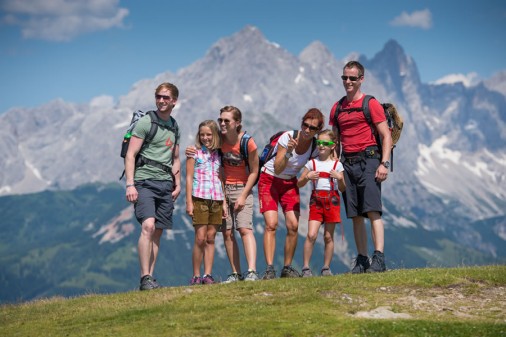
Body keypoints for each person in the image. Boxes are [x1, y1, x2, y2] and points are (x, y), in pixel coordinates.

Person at [329, 60, 392, 273]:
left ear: (361, 79)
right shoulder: (337, 108)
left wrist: (384, 164)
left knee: (372, 210)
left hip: (370, 159)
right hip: (347, 163)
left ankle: (379, 258)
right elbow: (335, 141)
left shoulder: (370, 103)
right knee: (355, 214)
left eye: (352, 78)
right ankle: (363, 259)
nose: (348, 81)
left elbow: (386, 135)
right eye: (345, 77)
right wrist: (335, 166)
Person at [186, 106, 260, 282]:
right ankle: (236, 273)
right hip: (221, 191)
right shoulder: (219, 141)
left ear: (237, 123)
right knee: (227, 233)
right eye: (221, 120)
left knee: (244, 228)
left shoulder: (247, 142)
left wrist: (243, 196)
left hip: (242, 188)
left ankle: (251, 271)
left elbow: (255, 171)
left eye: (227, 120)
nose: (222, 123)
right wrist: (191, 150)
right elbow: (204, 146)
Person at [124, 82, 181, 290]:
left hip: (166, 183)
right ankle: (144, 277)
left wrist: (178, 183)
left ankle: (151, 277)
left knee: (158, 231)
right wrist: (130, 185)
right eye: (159, 96)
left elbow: (175, 158)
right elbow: (130, 155)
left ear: (174, 101)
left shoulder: (174, 126)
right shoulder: (146, 123)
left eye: (166, 97)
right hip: (144, 181)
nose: (161, 100)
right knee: (147, 226)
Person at [258, 108, 324, 279]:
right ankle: (269, 268)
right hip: (270, 179)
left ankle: (287, 268)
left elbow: (322, 160)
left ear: (317, 131)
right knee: (271, 224)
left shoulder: (315, 146)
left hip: (290, 182)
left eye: (312, 128)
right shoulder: (288, 137)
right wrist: (288, 152)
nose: (307, 130)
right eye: (305, 125)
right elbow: (279, 167)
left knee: (293, 226)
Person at [297, 129, 345, 277]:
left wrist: (340, 178)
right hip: (316, 201)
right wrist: (307, 177)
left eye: (325, 143)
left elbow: (343, 189)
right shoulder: (312, 163)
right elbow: (299, 183)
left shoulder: (337, 165)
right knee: (311, 234)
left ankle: (326, 267)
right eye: (319, 143)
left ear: (333, 145)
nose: (321, 146)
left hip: (332, 201)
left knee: (328, 236)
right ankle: (305, 268)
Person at [186, 120, 227, 285]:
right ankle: (196, 275)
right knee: (200, 238)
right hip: (199, 197)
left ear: (215, 135)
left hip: (216, 198)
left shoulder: (220, 155)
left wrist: (224, 202)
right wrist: (188, 201)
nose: (205, 138)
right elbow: (189, 177)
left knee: (211, 237)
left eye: (209, 134)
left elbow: (222, 179)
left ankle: (207, 275)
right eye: (202, 134)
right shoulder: (194, 153)